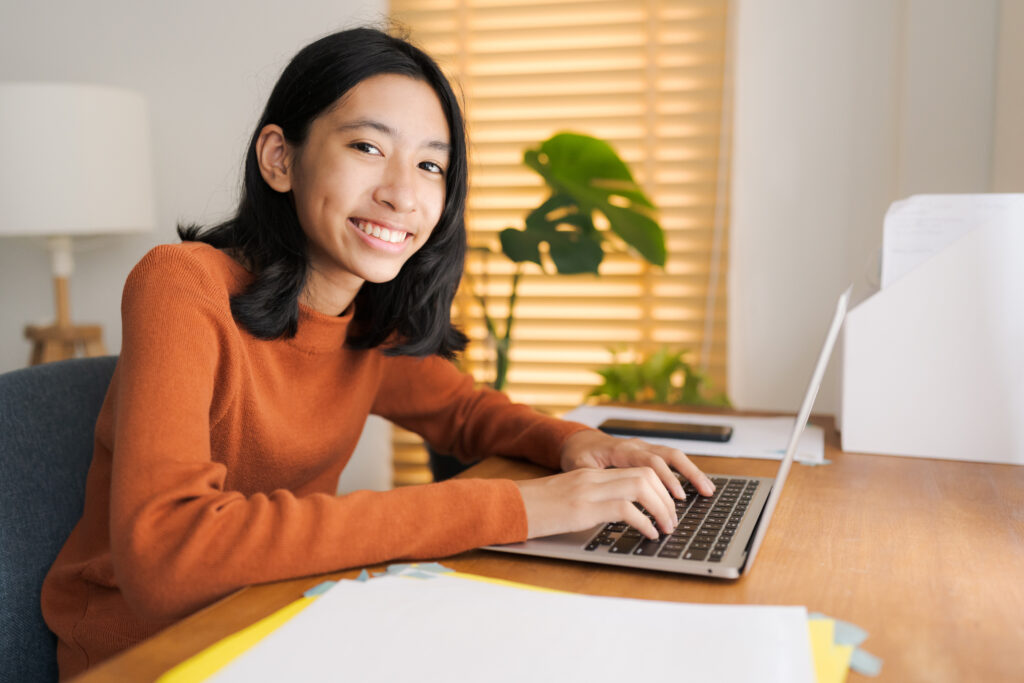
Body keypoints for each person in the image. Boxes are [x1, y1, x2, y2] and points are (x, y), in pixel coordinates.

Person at [41, 26, 715, 679]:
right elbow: (168, 556)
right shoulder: (182, 284)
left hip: (287, 621)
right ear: (280, 158)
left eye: (430, 164)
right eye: (368, 147)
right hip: (154, 652)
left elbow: (467, 412)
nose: (402, 192)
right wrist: (524, 506)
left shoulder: (363, 318)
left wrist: (576, 444)